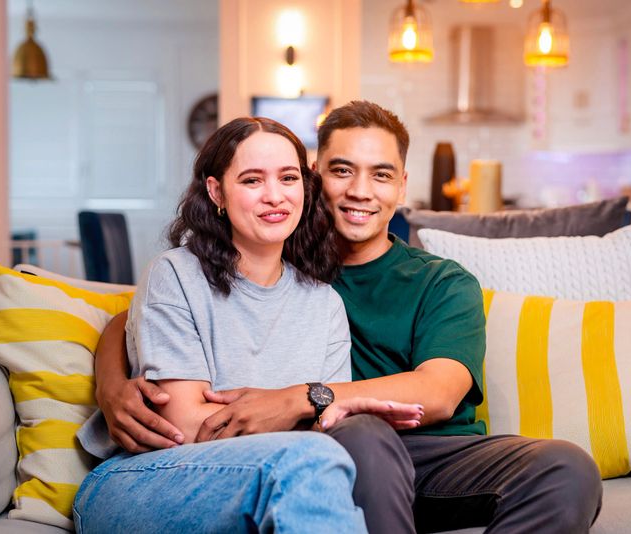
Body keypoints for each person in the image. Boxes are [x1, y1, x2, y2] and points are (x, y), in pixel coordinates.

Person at [94, 102, 603, 533]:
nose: (361, 191)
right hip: (334, 451)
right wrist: (111, 381)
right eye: (342, 170)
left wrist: (303, 397)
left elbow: (440, 392)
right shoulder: (271, 254)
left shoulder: (432, 282)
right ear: (315, 177)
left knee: (567, 467)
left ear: (401, 187)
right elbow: (138, 312)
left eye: (381, 175)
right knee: (360, 434)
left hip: (420, 457)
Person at [73, 116, 422, 533]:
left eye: (288, 178)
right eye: (252, 180)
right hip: (142, 480)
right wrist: (293, 413)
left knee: (321, 460)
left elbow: (328, 425)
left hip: (279, 479)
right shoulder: (174, 275)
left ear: (305, 189)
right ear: (216, 191)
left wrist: (304, 414)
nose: (275, 197)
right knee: (312, 460)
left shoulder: (325, 303)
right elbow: (182, 426)